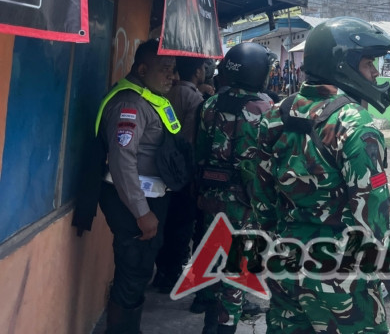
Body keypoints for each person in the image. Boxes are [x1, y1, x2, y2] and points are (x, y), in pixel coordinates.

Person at [260, 17, 390, 334]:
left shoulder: (274, 115)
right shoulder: (356, 124)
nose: (374, 73)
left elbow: (261, 203)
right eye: (369, 63)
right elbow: (374, 218)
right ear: (343, 63)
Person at [95, 39, 180, 333]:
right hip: (132, 202)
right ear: (143, 69)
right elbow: (122, 160)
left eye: (174, 69)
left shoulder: (147, 97)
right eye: (165, 69)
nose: (173, 76)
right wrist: (142, 212)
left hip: (146, 197)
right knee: (133, 271)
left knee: (138, 271)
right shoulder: (130, 104)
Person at [194, 42, 276, 334]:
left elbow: (200, 152)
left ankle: (209, 322)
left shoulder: (210, 104)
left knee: (214, 261)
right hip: (247, 205)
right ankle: (225, 327)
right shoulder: (266, 109)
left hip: (212, 198)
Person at [152, 57, 207, 293]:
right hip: (182, 168)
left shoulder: (167, 92)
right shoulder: (194, 98)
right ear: (197, 72)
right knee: (182, 224)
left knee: (167, 219)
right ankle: (171, 272)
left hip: (162, 166)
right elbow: (191, 138)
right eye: (204, 68)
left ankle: (163, 269)